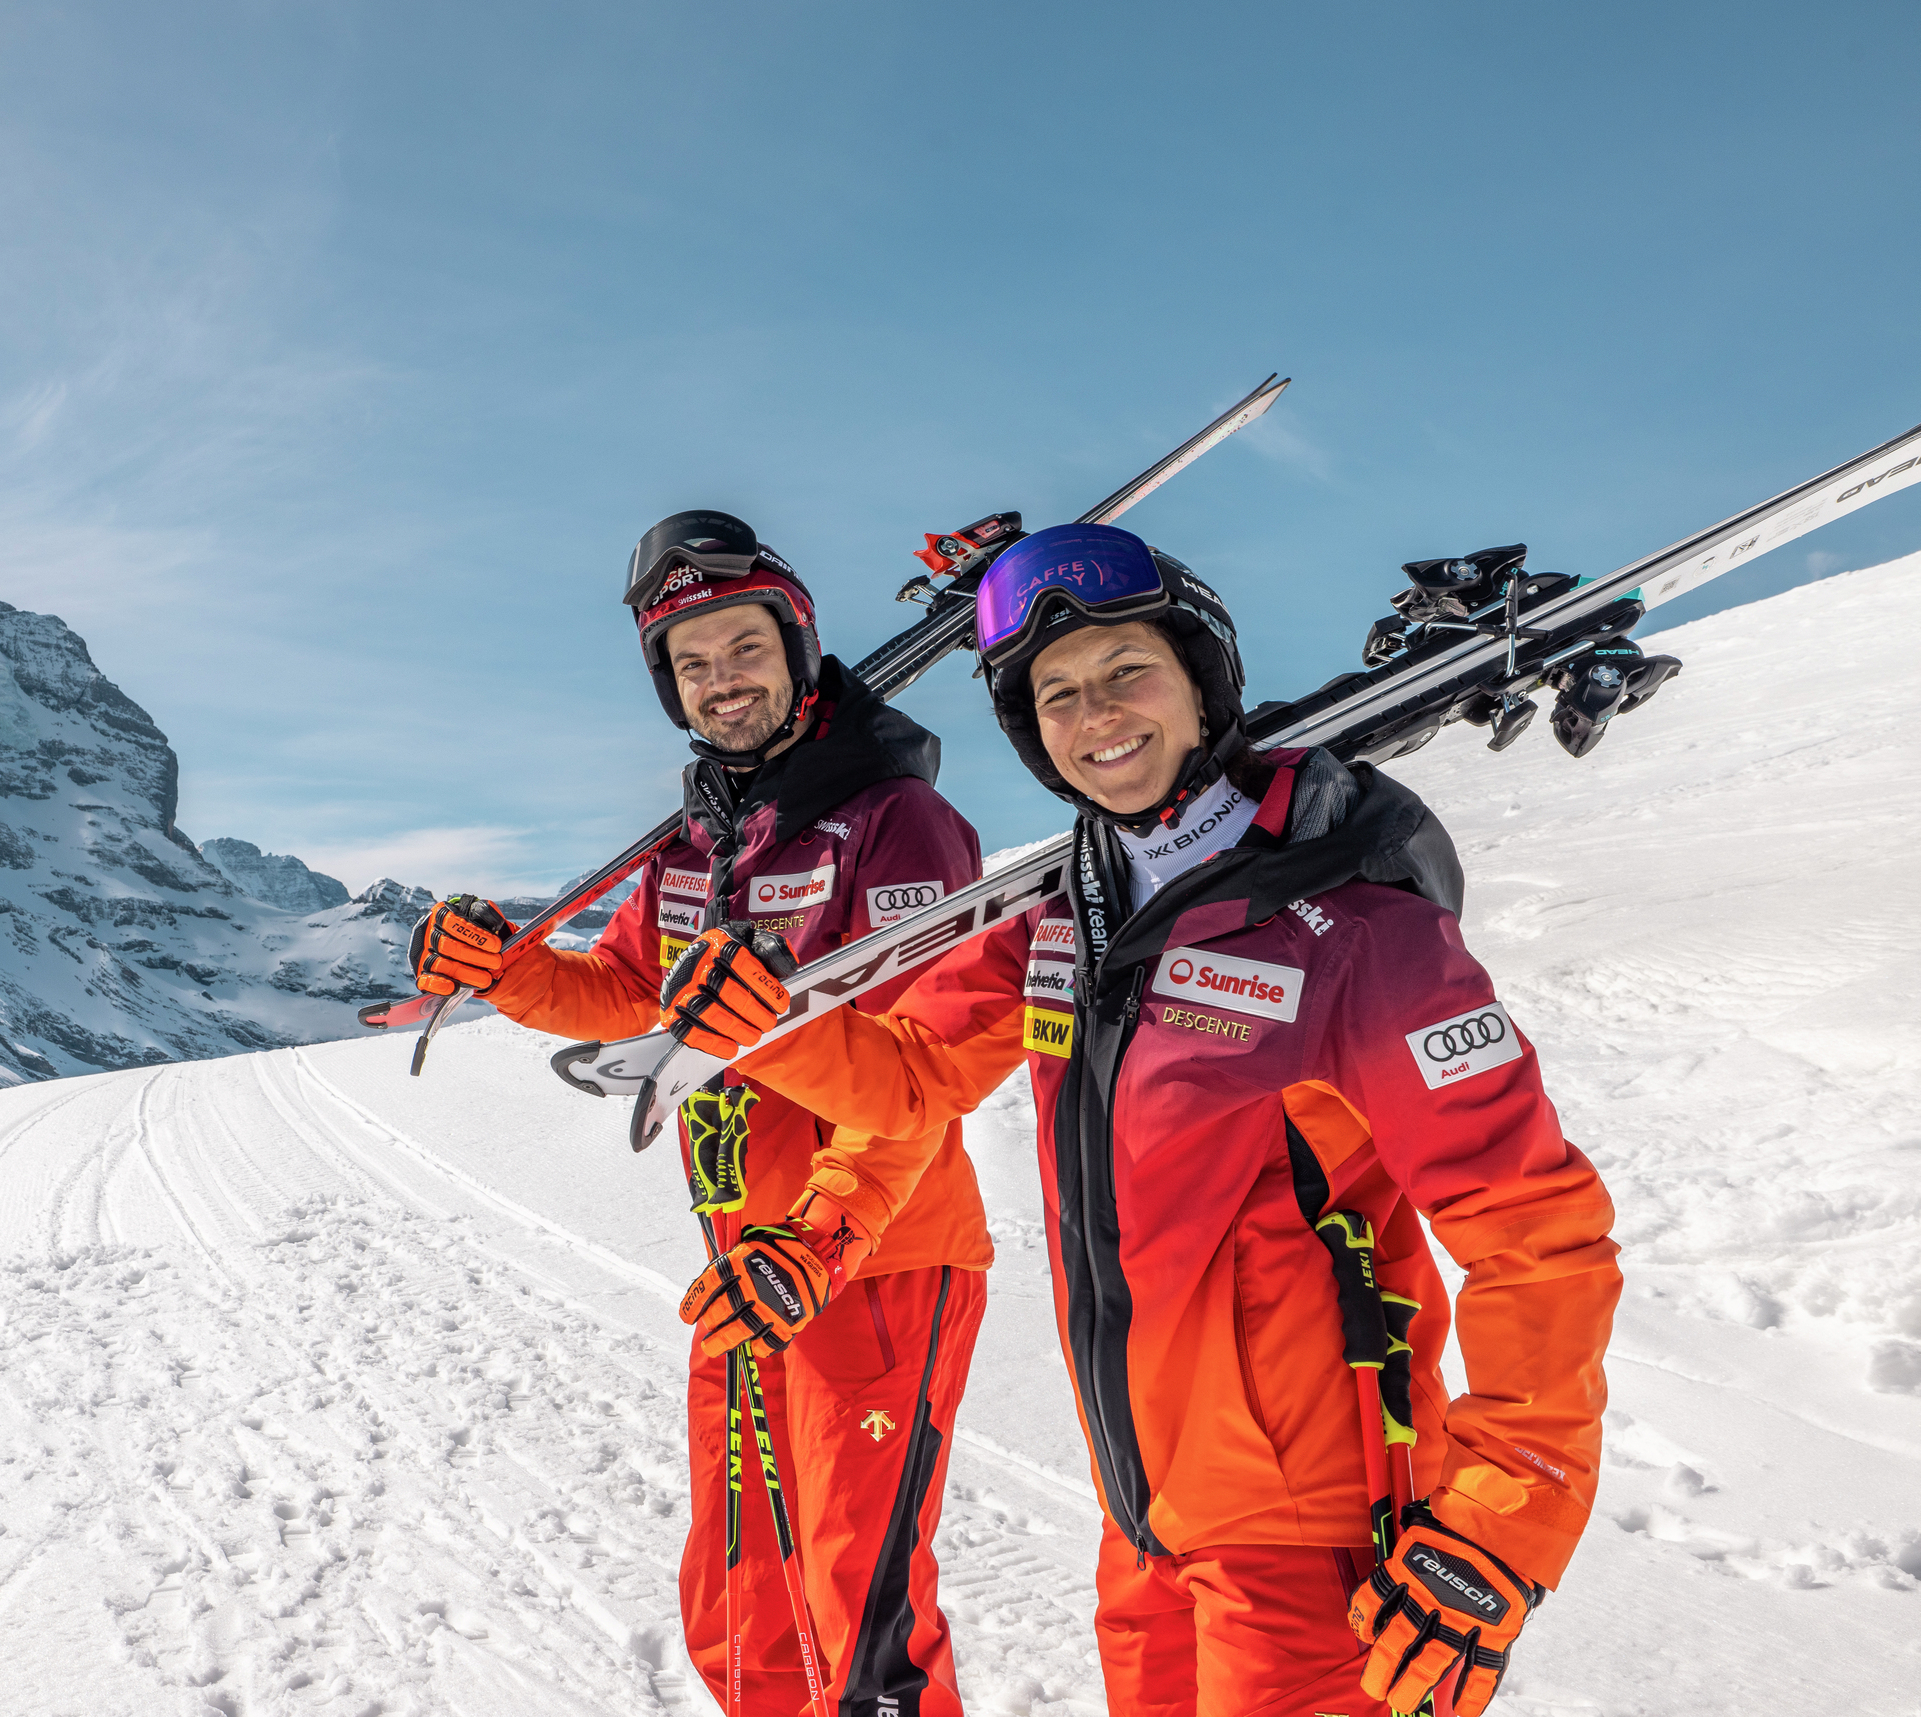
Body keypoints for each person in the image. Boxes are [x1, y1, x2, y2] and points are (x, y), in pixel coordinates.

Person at [655, 523, 1623, 1717]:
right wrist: (763, 1021)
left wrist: (1502, 1519)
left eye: (1127, 671)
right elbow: (910, 1076)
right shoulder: (1069, 914)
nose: (1094, 713)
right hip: (1145, 1529)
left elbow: (1537, 1231)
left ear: (1200, 677)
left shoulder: (1358, 933)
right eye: (1055, 695)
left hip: (1317, 1551)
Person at [407, 511, 991, 1717]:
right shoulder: (694, 844)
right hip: (741, 1256)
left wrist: (817, 1226)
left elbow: (914, 1069)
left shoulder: (895, 821)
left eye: (740, 645)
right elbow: (622, 994)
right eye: (691, 662)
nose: (721, 679)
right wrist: (500, 966)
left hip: (872, 1261)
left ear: (797, 643)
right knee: (741, 1588)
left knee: (856, 1593)